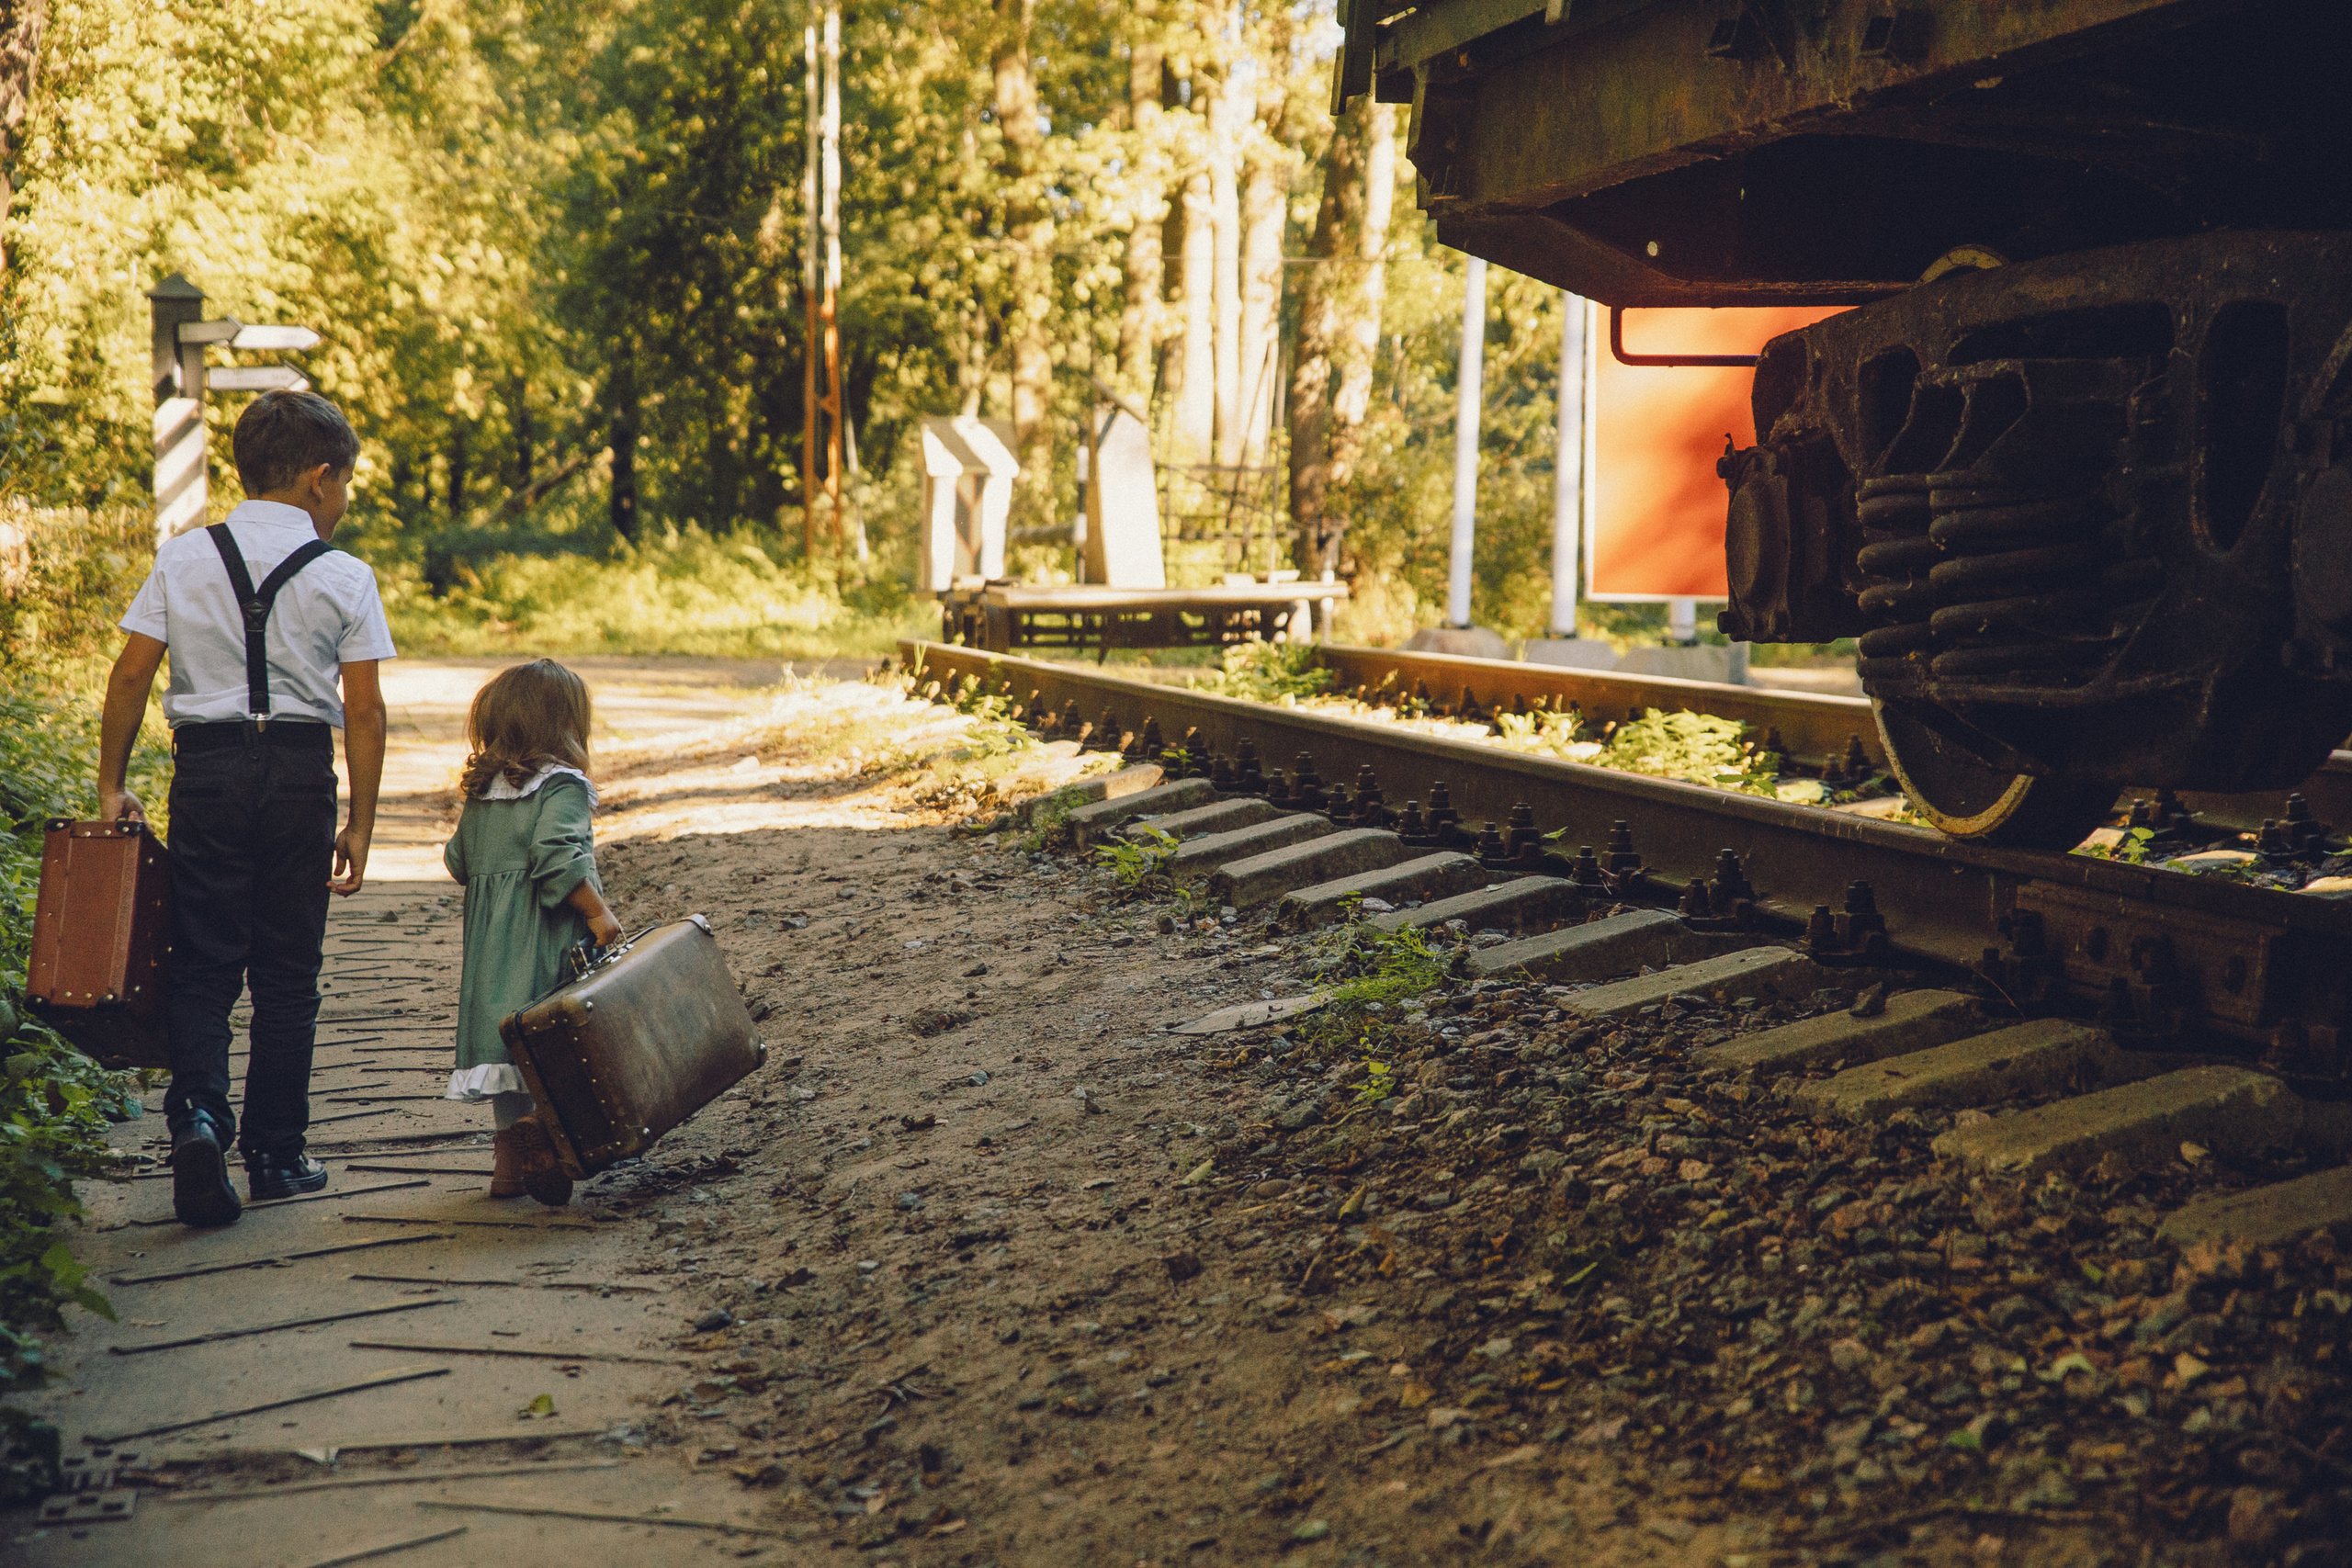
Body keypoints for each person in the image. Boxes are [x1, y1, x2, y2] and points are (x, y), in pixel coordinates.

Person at [97, 389, 393, 1227]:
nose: (342, 502)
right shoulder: (345, 575)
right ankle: (275, 1151)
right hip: (300, 775)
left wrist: (111, 783)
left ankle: (196, 1116)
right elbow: (364, 710)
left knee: (202, 961)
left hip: (210, 771)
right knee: (288, 972)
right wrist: (361, 822)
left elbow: (130, 675)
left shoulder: (184, 558)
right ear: (317, 478)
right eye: (344, 486)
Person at [442, 659, 623, 1206]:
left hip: (490, 946)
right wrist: (596, 912)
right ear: (567, 725)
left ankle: (507, 1173)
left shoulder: (483, 792)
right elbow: (554, 857)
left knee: (507, 1044)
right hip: (545, 935)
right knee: (552, 1038)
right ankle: (548, 1140)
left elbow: (457, 859)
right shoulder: (563, 786)